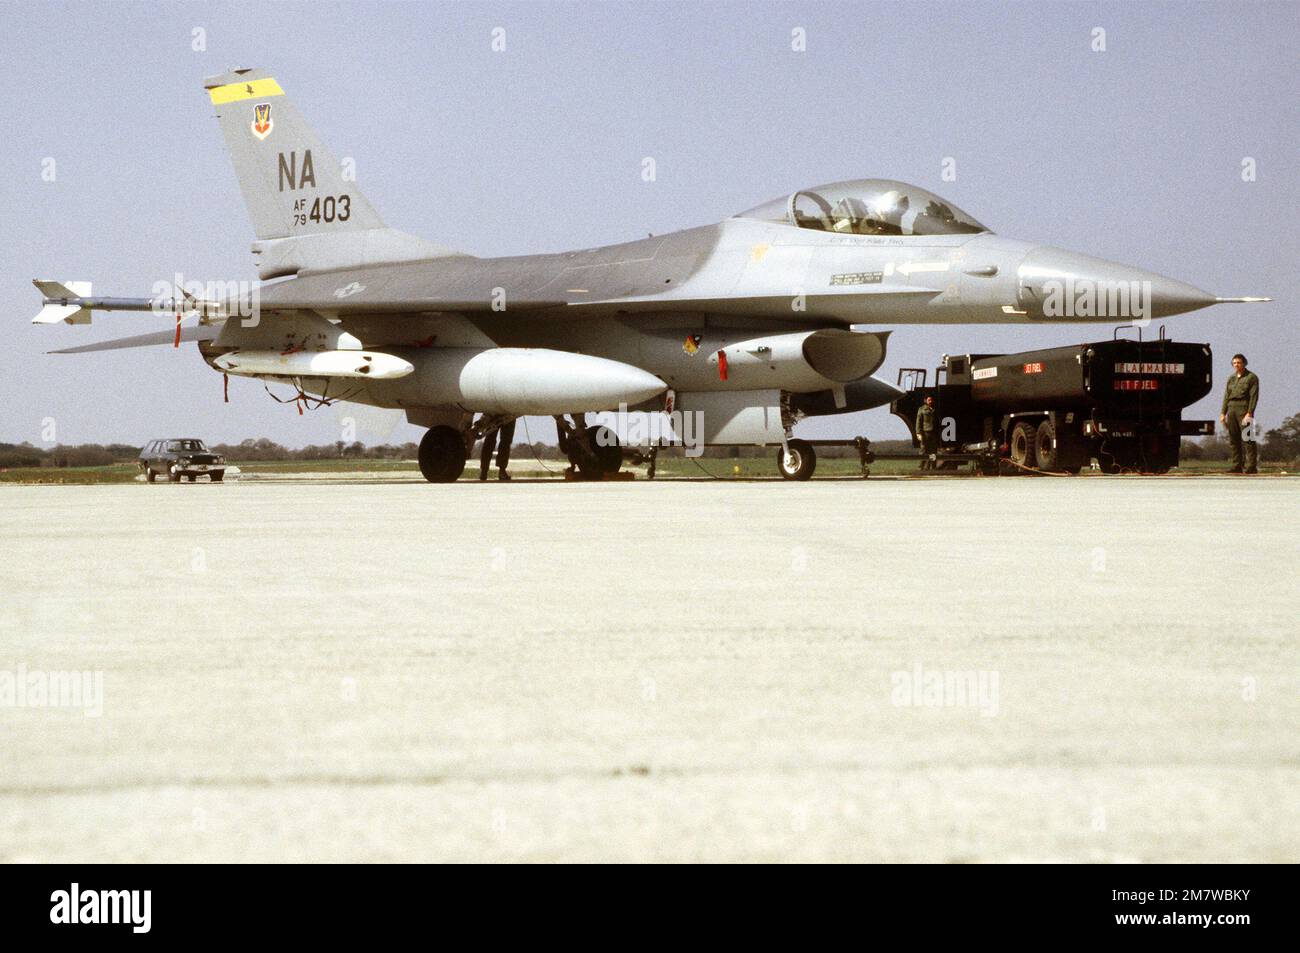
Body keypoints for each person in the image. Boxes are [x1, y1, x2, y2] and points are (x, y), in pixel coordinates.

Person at [1219, 354, 1259, 474]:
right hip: (1231, 408)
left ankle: (1251, 466)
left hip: (1244, 408)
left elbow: (1254, 396)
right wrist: (1223, 413)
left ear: (1244, 363)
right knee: (1233, 439)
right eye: (1234, 363)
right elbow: (1226, 396)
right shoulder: (1231, 378)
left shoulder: (1252, 377)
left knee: (1248, 438)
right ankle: (1237, 465)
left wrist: (1250, 412)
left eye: (1239, 363)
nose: (1237, 365)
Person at [915, 395, 939, 471]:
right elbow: (918, 421)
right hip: (925, 432)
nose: (931, 401)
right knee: (924, 450)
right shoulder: (921, 409)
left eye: (931, 400)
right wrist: (918, 433)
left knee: (933, 451)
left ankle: (933, 467)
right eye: (929, 400)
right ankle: (921, 467)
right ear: (925, 401)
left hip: (934, 432)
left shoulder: (934, 409)